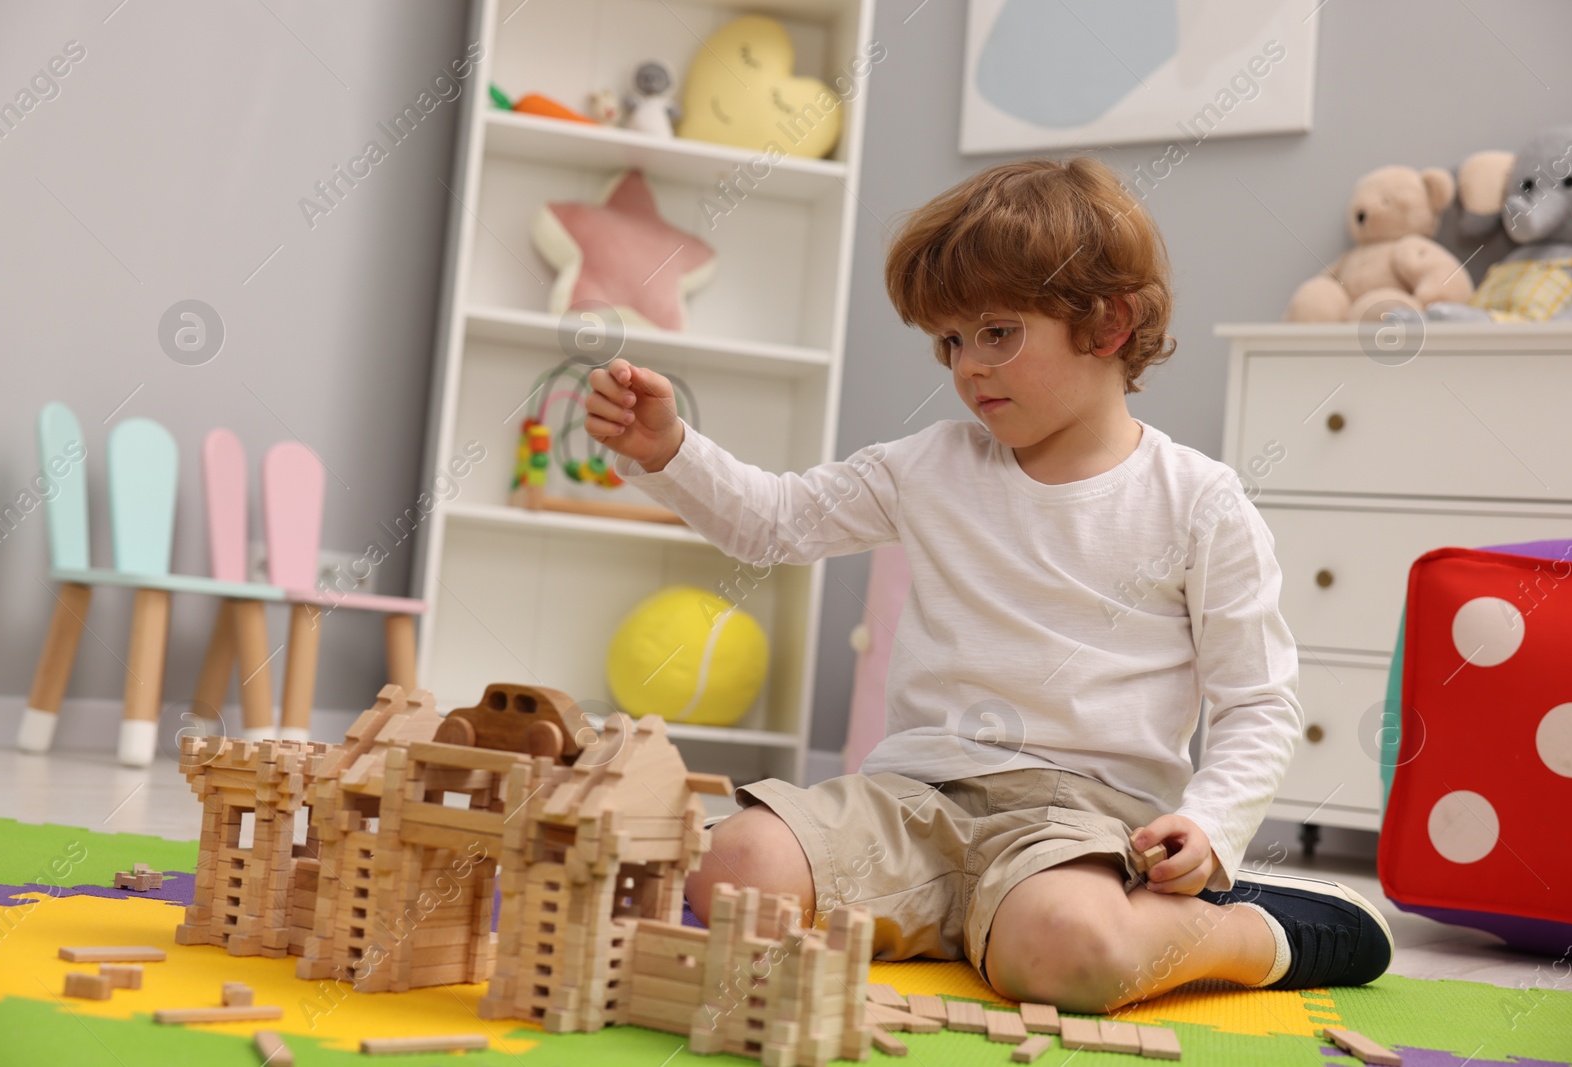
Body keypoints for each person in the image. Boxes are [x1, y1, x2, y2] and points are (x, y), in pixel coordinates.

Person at [584, 156, 1392, 1011]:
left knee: (1070, 953)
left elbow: (1258, 703)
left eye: (998, 333)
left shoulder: (1199, 501)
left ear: (1109, 324)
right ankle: (965, 922)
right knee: (733, 863)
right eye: (951, 341)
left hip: (1079, 821)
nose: (969, 367)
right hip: (911, 797)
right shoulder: (927, 465)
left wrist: (1213, 828)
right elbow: (775, 522)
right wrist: (667, 450)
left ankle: (1261, 928)